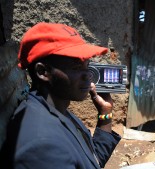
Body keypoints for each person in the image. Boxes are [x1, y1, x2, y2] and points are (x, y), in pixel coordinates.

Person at [0, 22, 121, 168]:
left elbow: (94, 160)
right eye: (76, 67)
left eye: (87, 66)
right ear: (43, 72)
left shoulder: (58, 110)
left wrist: (105, 113)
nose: (88, 75)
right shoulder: (42, 146)